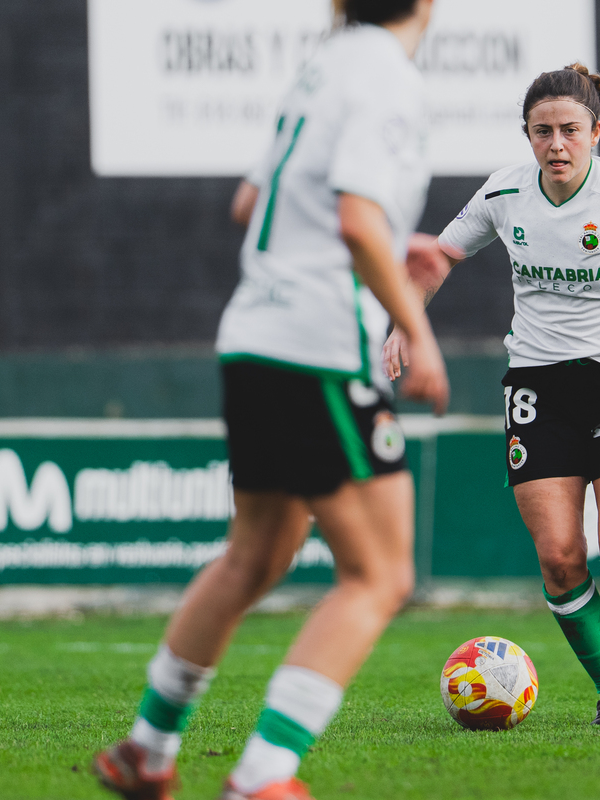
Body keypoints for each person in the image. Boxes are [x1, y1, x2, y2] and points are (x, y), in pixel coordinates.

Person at [92, 2, 448, 799]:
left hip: (254, 337)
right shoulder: (386, 75)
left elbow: (251, 206)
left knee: (254, 556)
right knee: (380, 575)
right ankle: (262, 776)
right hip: (319, 348)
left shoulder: (322, 66)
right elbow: (357, 221)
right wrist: (416, 329)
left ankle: (147, 750)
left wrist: (386, 248)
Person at [384, 64, 600, 725]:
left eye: (570, 130)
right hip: (538, 383)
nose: (556, 144)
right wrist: (405, 324)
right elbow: (438, 259)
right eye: (542, 131)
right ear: (527, 135)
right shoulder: (504, 193)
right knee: (559, 557)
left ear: (596, 133)